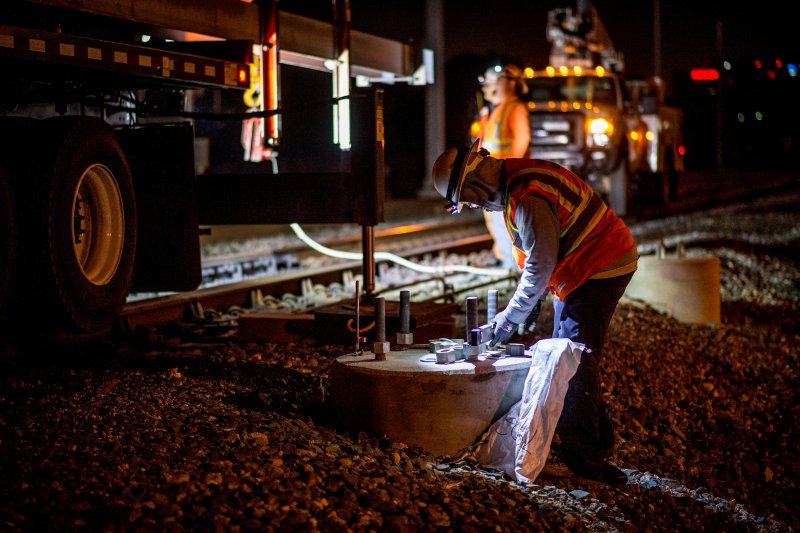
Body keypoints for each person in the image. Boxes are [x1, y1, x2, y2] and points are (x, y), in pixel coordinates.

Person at [431, 140, 638, 485]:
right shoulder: (517, 180)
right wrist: (532, 302)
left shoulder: (524, 198)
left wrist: (509, 318)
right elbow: (542, 254)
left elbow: (540, 266)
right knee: (568, 354)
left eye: (466, 199)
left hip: (598, 265)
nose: (474, 205)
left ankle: (586, 460)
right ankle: (593, 443)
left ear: (473, 184)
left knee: (572, 360)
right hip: (587, 265)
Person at [474, 64, 531, 269]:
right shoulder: (496, 110)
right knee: (495, 219)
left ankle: (511, 263)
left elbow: (521, 140)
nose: (488, 87)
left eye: (494, 81)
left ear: (509, 83)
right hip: (493, 177)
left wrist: (509, 171)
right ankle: (504, 258)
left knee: (504, 221)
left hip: (504, 177)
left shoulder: (514, 108)